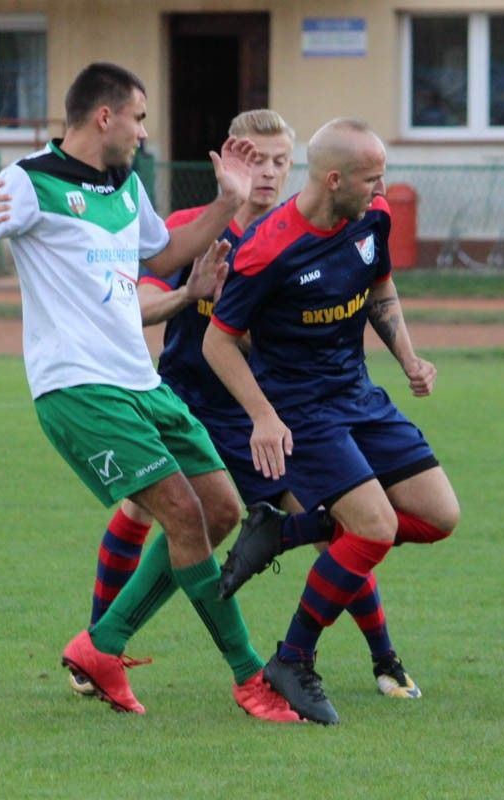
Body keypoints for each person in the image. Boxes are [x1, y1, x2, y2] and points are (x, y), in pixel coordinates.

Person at [0, 62, 298, 723]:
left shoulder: (125, 186)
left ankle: (102, 646)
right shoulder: (29, 181)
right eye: (140, 118)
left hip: (141, 381)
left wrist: (228, 201)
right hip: (78, 386)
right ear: (105, 116)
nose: (144, 132)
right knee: (182, 514)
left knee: (220, 510)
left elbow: (162, 256)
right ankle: (252, 678)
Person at [85, 109, 422, 702]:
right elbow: (135, 308)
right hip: (187, 401)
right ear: (231, 160)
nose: (267, 172)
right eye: (255, 160)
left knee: (338, 524)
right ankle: (97, 648)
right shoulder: (193, 229)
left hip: (262, 412)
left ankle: (384, 657)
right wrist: (191, 295)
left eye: (279, 161)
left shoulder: (298, 237)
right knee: (148, 510)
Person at [202, 118, 461, 725]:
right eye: (373, 179)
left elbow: (381, 290)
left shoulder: (372, 218)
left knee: (440, 516)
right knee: (373, 528)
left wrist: (408, 358)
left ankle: (287, 531)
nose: (382, 190)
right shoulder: (267, 248)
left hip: (359, 395)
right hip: (301, 410)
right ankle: (292, 659)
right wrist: (263, 417)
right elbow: (218, 341)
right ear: (335, 179)